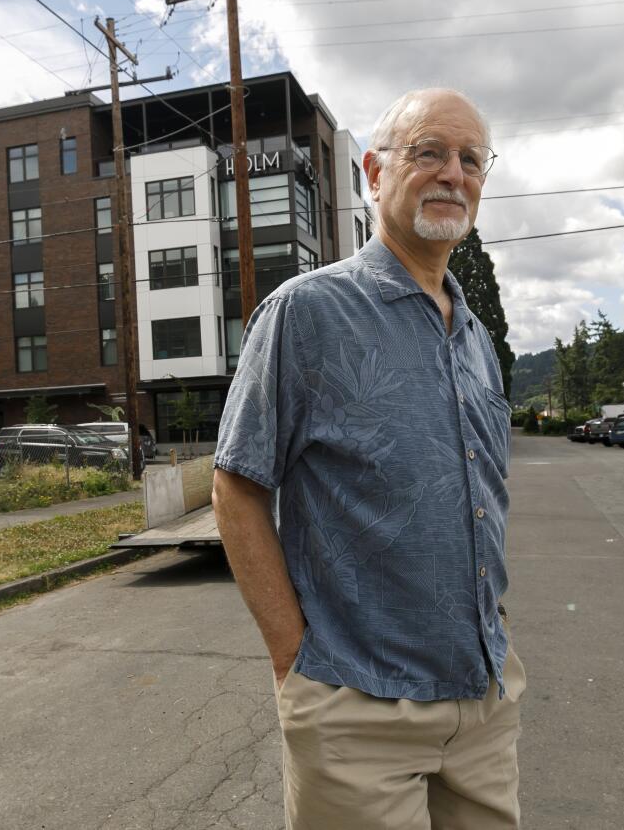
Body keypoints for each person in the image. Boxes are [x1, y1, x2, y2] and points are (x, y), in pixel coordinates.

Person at [212, 88, 524, 828]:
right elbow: (236, 487)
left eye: (471, 159)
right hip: (356, 709)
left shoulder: (476, 336)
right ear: (374, 173)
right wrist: (295, 666)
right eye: (429, 152)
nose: (454, 173)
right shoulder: (307, 312)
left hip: (483, 702)